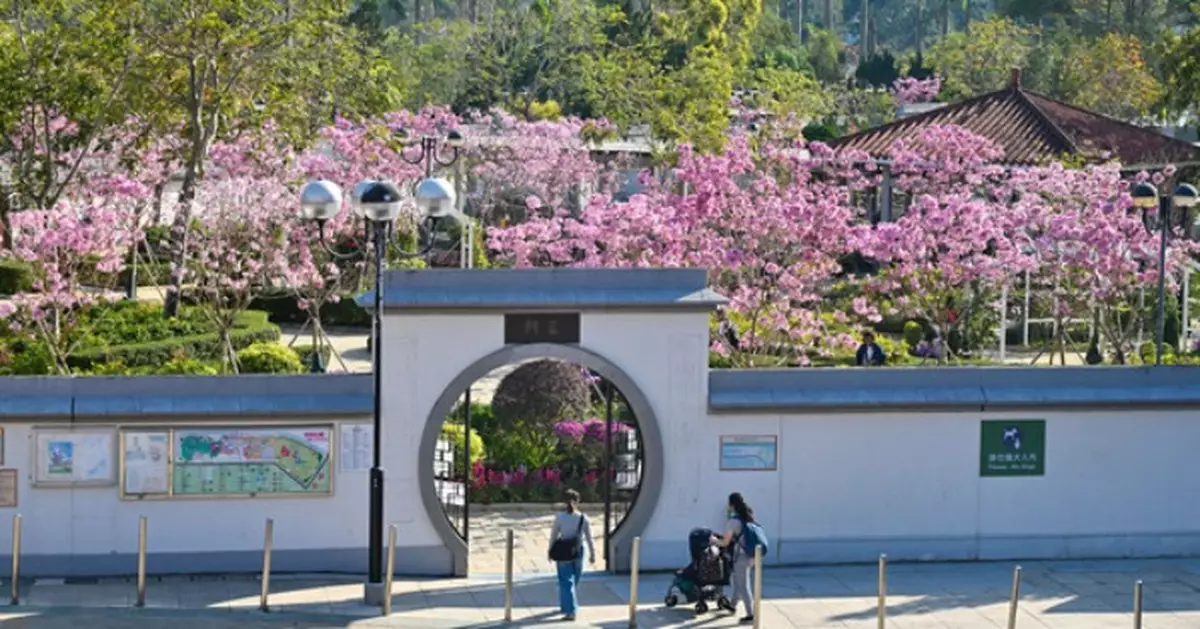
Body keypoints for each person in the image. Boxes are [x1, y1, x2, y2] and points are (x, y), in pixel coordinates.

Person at [547, 489, 596, 621]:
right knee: (574, 580)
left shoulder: (560, 517)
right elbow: (589, 538)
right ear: (578, 501)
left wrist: (550, 551)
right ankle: (568, 605)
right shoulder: (583, 518)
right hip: (578, 551)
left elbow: (554, 535)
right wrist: (593, 553)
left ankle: (569, 609)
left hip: (563, 551)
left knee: (565, 581)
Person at [711, 492, 758, 624]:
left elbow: (725, 542)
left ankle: (751, 614)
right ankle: (733, 605)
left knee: (743, 585)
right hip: (752, 554)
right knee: (738, 581)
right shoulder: (748, 516)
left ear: (732, 505)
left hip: (742, 557)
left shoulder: (734, 522)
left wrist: (714, 541)